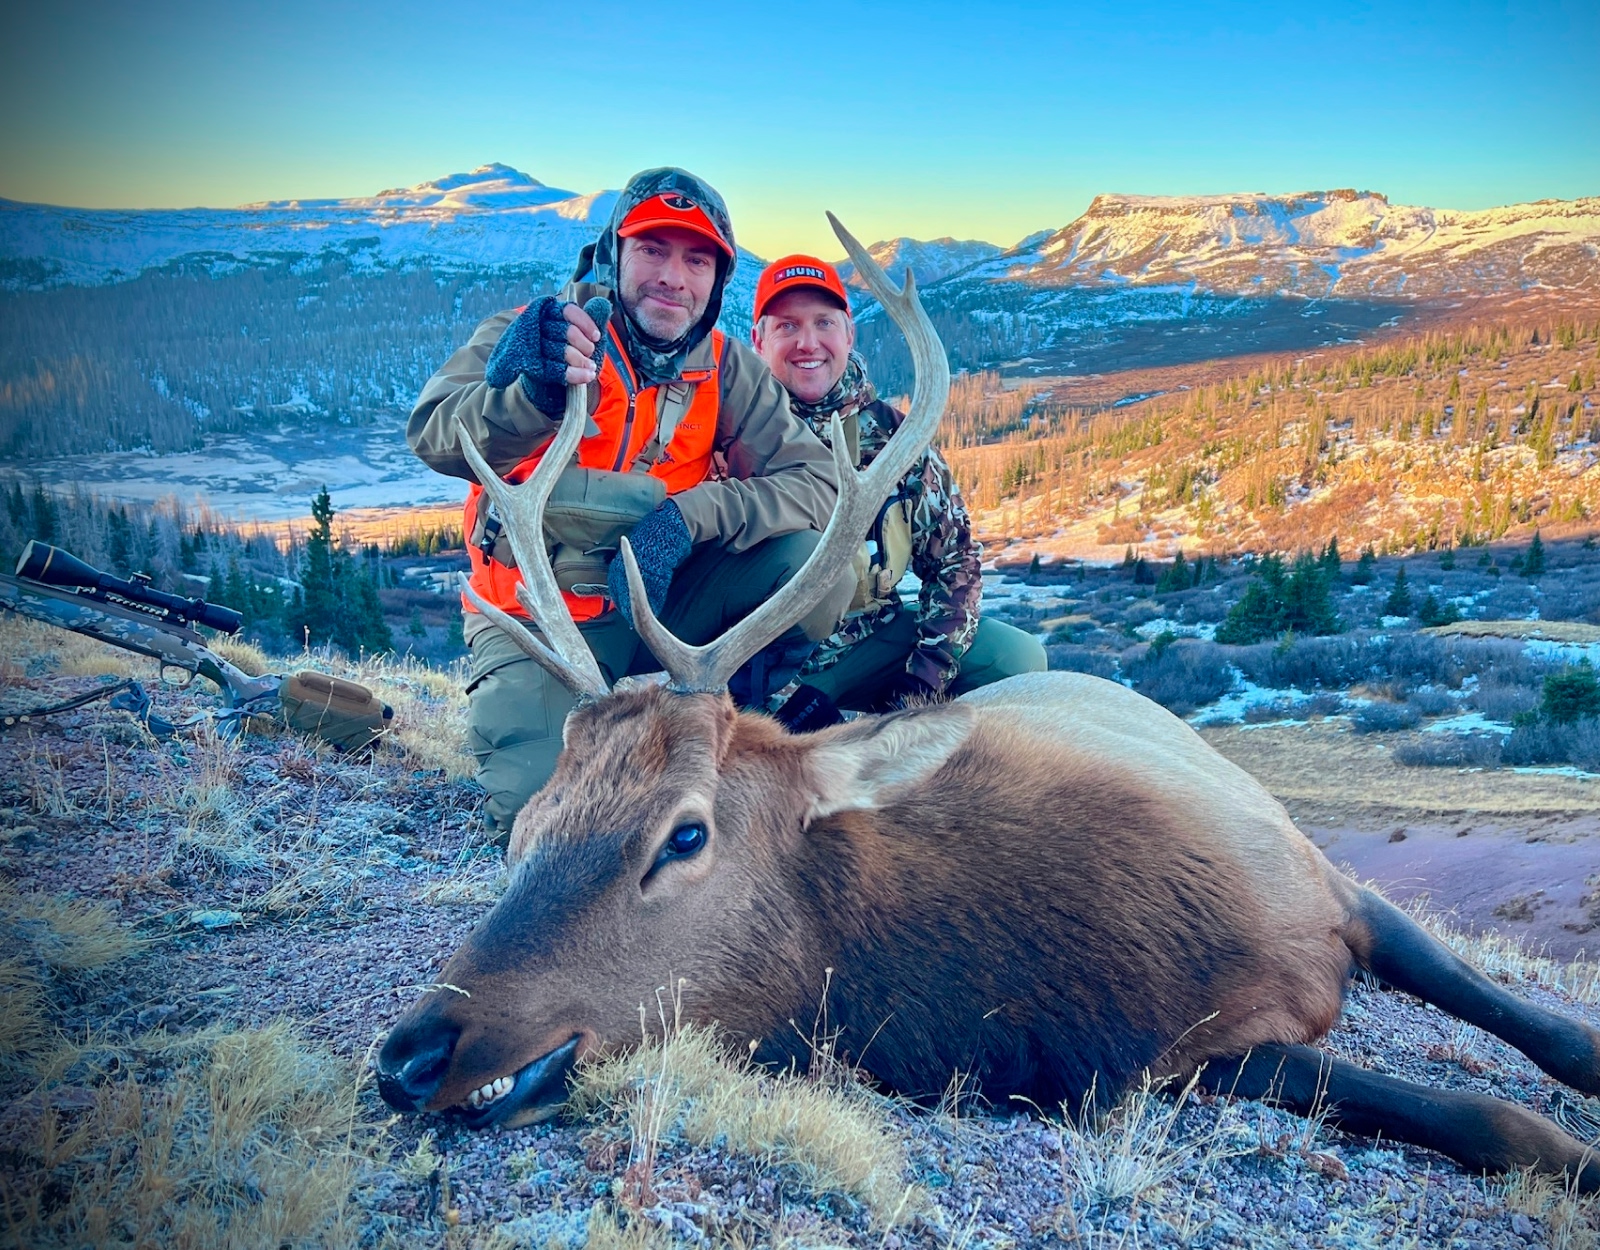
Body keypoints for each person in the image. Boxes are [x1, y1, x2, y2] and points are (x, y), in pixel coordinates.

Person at [408, 170, 853, 833]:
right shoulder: (539, 334)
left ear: (716, 280)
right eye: (654, 249)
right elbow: (433, 434)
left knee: (816, 567)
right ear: (615, 254)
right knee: (545, 817)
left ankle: (724, 724)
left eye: (696, 258)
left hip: (660, 605)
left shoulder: (727, 366)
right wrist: (531, 396)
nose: (674, 276)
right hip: (536, 617)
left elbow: (817, 481)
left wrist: (691, 516)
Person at [750, 255, 1045, 729]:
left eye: (823, 323)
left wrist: (920, 688)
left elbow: (955, 562)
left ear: (849, 334)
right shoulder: (732, 434)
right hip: (768, 660)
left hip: (872, 635)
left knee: (1017, 658)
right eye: (787, 326)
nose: (808, 343)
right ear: (759, 341)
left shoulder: (895, 437)